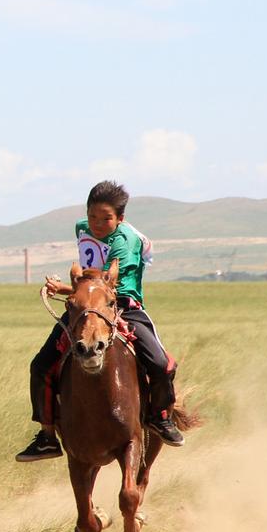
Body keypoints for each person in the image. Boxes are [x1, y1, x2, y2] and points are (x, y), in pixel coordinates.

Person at [15, 180, 183, 462]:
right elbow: (89, 283)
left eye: (106, 218)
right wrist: (72, 293)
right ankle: (46, 436)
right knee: (41, 365)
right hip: (85, 306)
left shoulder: (125, 243)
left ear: (120, 218)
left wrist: (66, 289)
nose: (97, 223)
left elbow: (106, 288)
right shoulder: (81, 227)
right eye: (93, 216)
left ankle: (160, 416)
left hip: (122, 305)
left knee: (162, 364)